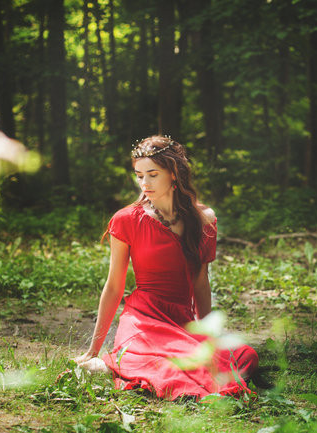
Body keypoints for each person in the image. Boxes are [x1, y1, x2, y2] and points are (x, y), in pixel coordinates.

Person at [73, 135, 258, 400]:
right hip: (143, 319)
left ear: (174, 174)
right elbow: (114, 286)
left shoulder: (203, 218)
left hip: (181, 320)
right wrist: (93, 348)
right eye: (139, 176)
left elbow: (201, 283)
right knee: (178, 371)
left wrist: (208, 340)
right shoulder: (126, 219)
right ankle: (104, 362)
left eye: (152, 174)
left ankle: (117, 366)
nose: (144, 183)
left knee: (244, 356)